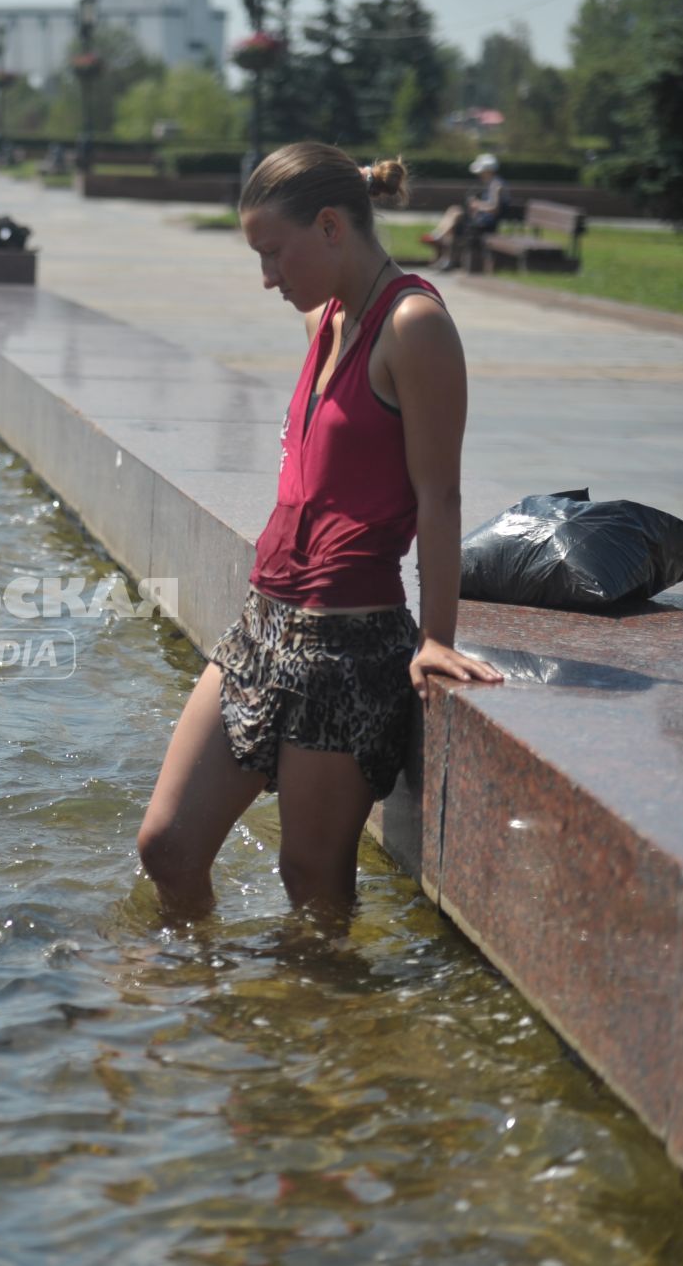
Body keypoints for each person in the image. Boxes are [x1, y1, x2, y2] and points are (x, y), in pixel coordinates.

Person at [136, 142, 503, 921]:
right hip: (262, 627)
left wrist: (436, 635)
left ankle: (331, 1036)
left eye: (274, 252)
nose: (267, 276)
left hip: (349, 647)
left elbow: (440, 496)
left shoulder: (416, 326)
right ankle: (186, 1001)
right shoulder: (327, 316)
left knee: (310, 881)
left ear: (331, 227)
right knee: (165, 844)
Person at [425, 153, 506, 272]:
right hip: (480, 220)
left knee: (456, 215)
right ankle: (440, 240)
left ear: (488, 171)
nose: (480, 174)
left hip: (486, 223)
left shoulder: (497, 185)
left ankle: (441, 244)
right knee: (454, 211)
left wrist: (478, 205)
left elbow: (495, 208)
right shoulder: (491, 184)